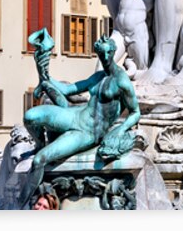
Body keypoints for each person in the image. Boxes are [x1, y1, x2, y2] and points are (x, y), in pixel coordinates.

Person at [22, 35, 140, 204]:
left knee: (39, 160)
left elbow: (135, 112)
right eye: (101, 54)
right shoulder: (99, 77)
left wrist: (119, 130)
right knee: (30, 117)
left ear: (113, 52)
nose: (105, 58)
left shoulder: (122, 81)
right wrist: (46, 76)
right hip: (75, 115)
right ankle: (40, 144)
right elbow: (68, 89)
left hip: (89, 132)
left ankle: (22, 204)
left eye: (108, 53)